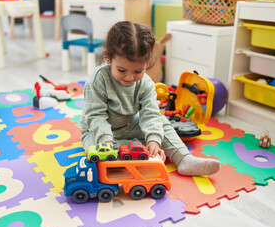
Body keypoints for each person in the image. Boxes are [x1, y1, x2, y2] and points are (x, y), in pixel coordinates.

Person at [80, 21, 220, 176]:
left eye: (138, 71)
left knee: (161, 121)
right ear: (108, 58)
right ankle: (127, 148)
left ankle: (184, 159)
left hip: (129, 125)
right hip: (97, 130)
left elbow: (151, 114)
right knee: (96, 152)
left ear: (147, 63)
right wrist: (105, 141)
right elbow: (95, 115)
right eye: (121, 70)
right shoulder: (98, 79)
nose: (129, 77)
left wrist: (154, 139)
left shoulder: (145, 83)